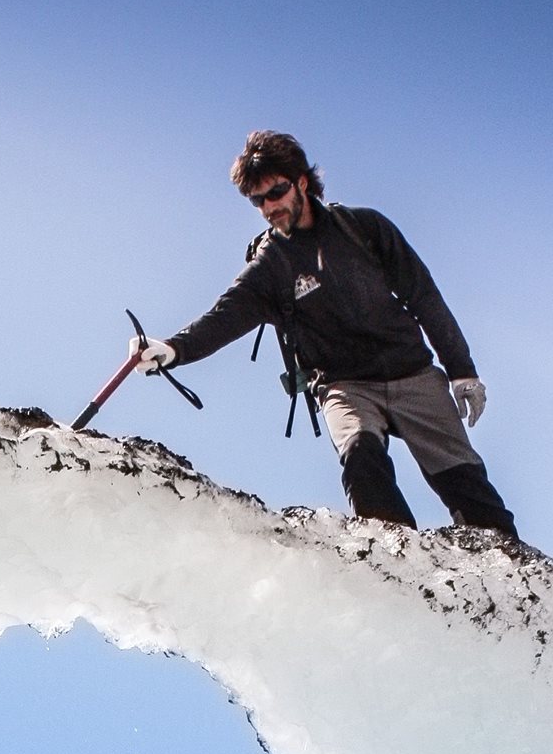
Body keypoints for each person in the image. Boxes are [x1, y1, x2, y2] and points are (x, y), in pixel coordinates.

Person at [137, 130, 517, 538]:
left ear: (302, 181)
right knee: (360, 455)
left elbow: (424, 297)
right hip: (345, 386)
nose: (269, 207)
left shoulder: (363, 228)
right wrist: (172, 349)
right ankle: (400, 562)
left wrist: (462, 370)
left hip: (413, 373)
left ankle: (512, 570)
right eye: (257, 200)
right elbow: (224, 316)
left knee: (466, 483)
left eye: (276, 192)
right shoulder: (271, 266)